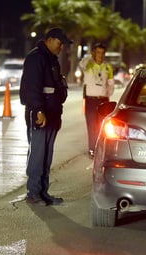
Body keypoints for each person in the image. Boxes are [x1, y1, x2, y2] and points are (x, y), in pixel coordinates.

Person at [19, 27, 72, 205]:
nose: (61, 47)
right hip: (40, 114)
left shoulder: (52, 60)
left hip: (52, 114)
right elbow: (32, 88)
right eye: (59, 43)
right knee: (38, 155)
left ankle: (43, 192)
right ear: (49, 40)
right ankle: (33, 193)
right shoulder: (35, 58)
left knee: (47, 155)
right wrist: (39, 110)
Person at [78, 43, 114, 158]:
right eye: (98, 52)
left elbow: (111, 84)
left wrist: (107, 94)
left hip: (103, 100)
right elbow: (81, 64)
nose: (100, 55)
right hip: (90, 100)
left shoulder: (108, 67)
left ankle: (101, 149)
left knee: (103, 126)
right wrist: (90, 56)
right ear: (94, 53)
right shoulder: (88, 65)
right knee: (91, 126)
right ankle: (92, 149)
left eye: (102, 53)